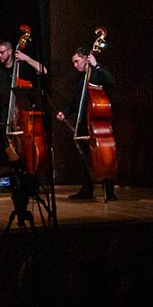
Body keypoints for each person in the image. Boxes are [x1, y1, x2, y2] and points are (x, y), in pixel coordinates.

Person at [56, 47, 116, 200]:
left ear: (85, 59)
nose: (75, 65)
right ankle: (87, 189)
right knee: (84, 157)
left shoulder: (96, 74)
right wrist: (65, 112)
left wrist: (96, 65)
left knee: (102, 156)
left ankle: (109, 190)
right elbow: (76, 101)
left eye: (77, 61)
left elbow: (110, 80)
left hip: (97, 123)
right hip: (84, 122)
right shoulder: (82, 79)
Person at [0, 39, 47, 166]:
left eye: (2, 52)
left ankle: (30, 169)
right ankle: (17, 169)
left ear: (10, 51)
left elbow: (43, 71)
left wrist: (26, 58)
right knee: (9, 146)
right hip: (7, 114)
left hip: (25, 113)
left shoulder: (24, 67)